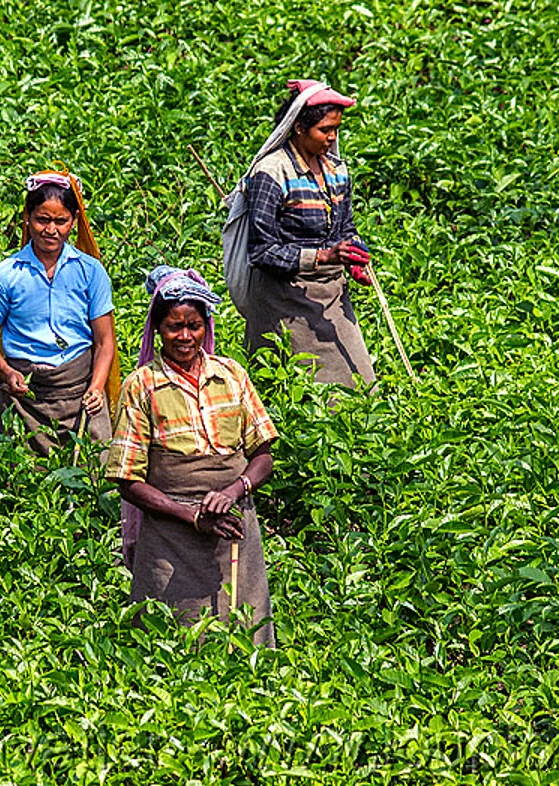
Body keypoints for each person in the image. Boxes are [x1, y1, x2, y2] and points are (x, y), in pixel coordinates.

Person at [107, 266, 278, 647]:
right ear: (157, 329)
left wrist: (234, 490)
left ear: (206, 326)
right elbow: (126, 480)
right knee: (170, 641)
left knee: (243, 631)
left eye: (194, 325)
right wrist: (193, 516)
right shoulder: (142, 385)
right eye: (173, 327)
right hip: (171, 530)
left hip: (234, 523)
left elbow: (263, 455)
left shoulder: (231, 374)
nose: (185, 336)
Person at [225, 79, 377, 387]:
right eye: (324, 130)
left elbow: (345, 226)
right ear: (298, 127)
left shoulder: (337, 170)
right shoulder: (271, 173)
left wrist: (354, 254)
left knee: (361, 384)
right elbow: (263, 251)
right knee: (297, 392)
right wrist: (322, 256)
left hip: (332, 296)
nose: (331, 137)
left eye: (335, 129)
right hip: (284, 299)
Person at [0, 170, 118, 455]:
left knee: (96, 480)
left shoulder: (90, 272)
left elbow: (104, 342)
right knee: (21, 482)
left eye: (61, 221)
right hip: (25, 396)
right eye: (42, 219)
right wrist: (5, 371)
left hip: (80, 391)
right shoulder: (5, 275)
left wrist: (96, 386)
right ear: (27, 217)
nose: (51, 230)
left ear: (74, 222)